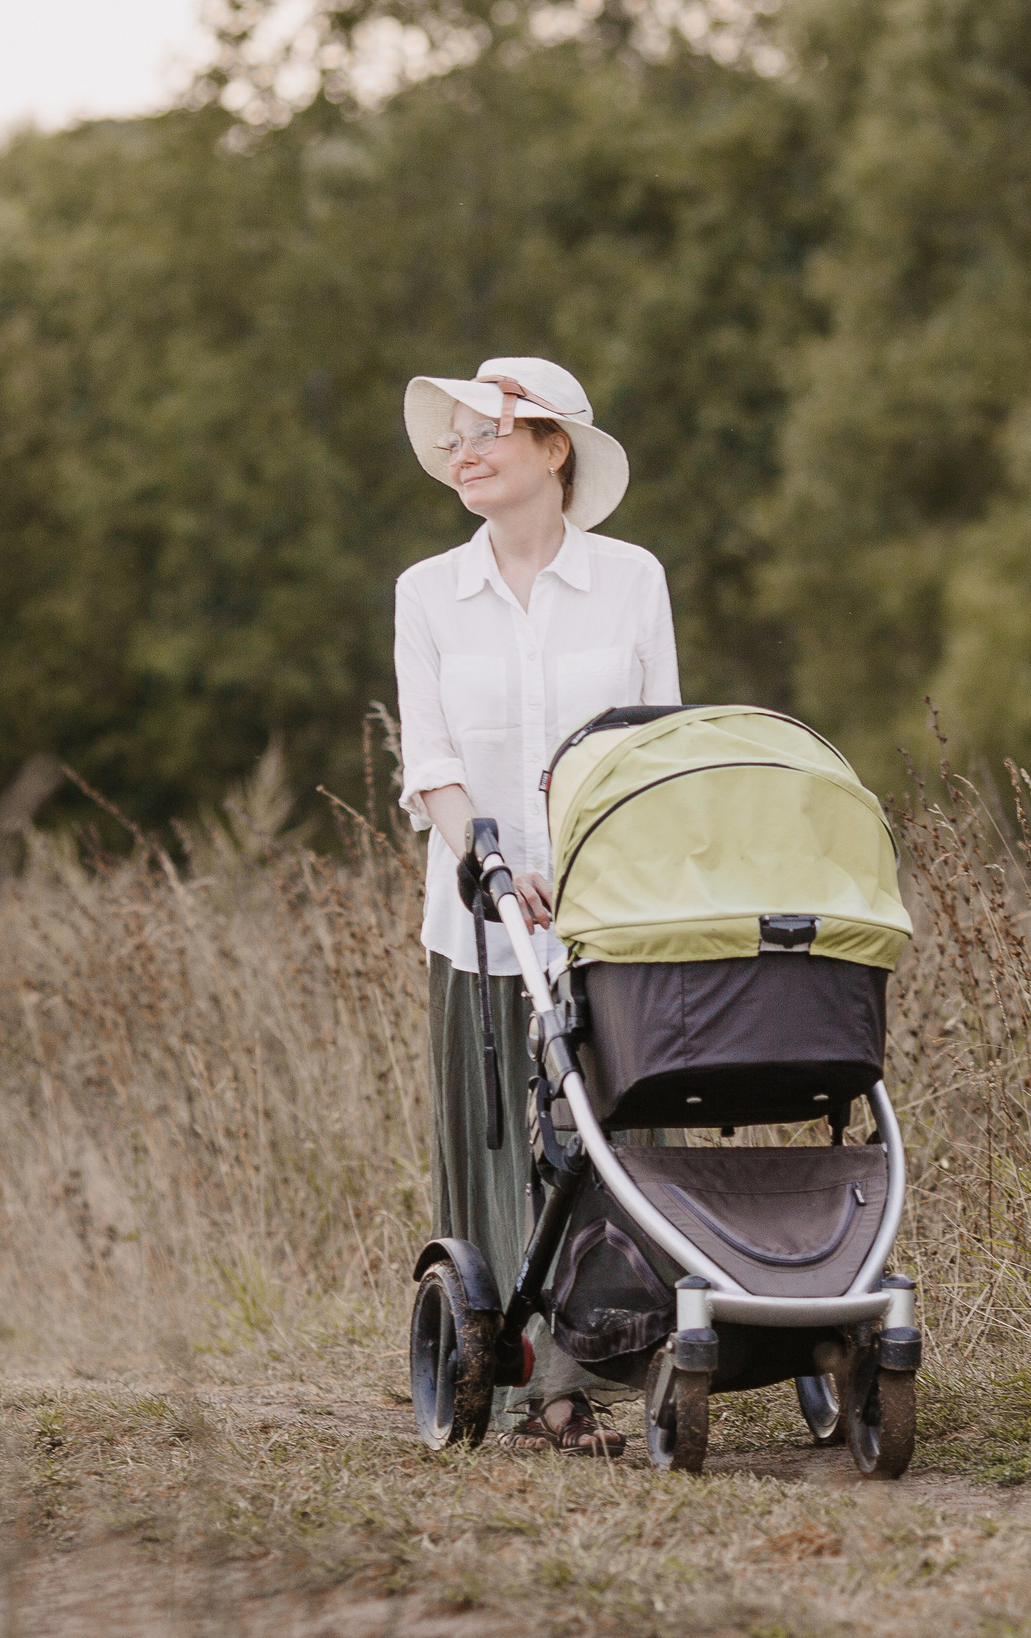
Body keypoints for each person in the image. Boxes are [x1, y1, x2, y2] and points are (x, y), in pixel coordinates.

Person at [393, 357, 678, 1457]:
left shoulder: (631, 577)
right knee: (501, 1144)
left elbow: (653, 740)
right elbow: (432, 763)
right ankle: (517, 1378)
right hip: (480, 917)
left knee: (605, 1138)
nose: (460, 452)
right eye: (451, 438)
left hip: (609, 913)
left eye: (486, 432)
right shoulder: (426, 591)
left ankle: (593, 1371)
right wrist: (499, 861)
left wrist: (600, 865)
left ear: (552, 447)